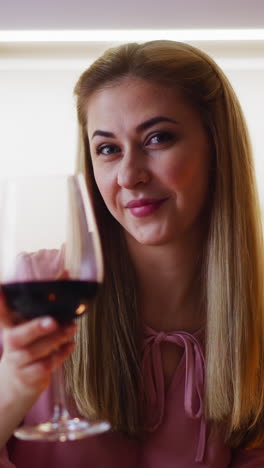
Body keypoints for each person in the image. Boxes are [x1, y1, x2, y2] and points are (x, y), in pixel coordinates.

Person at [0, 40, 264, 467]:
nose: (129, 175)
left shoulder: (256, 314)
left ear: (217, 148)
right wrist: (12, 385)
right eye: (108, 149)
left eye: (157, 138)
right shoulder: (36, 288)